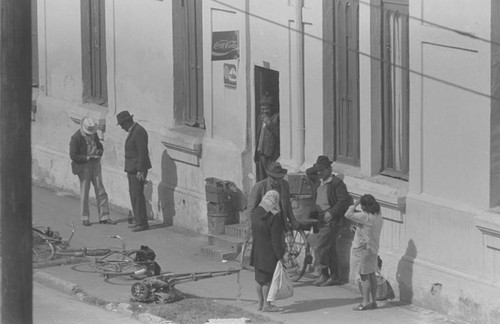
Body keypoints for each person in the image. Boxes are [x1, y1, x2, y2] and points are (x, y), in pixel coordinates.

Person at [306, 155, 353, 286]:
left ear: (329, 170)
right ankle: (334, 276)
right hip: (319, 218)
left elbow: (342, 201)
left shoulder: (337, 183)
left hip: (331, 220)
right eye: (318, 170)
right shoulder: (317, 180)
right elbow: (308, 172)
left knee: (319, 246)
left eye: (322, 170)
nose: (319, 173)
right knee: (329, 248)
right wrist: (318, 166)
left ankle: (324, 273)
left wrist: (331, 213)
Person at [69, 116, 115, 226]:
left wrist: (99, 152)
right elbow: (73, 155)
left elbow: (99, 146)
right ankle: (85, 217)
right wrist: (87, 158)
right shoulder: (76, 138)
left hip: (95, 164)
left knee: (101, 191)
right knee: (85, 191)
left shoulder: (94, 134)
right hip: (84, 166)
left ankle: (104, 216)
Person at [345, 194, 383, 310]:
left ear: (365, 205)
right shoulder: (378, 215)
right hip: (373, 249)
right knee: (371, 274)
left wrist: (354, 204)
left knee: (364, 276)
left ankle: (366, 302)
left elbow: (348, 214)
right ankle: (373, 301)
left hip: (363, 250)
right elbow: (367, 230)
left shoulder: (365, 216)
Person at [250, 190, 286, 312]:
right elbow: (275, 240)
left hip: (257, 250)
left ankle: (260, 304)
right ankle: (267, 304)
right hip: (269, 253)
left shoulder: (256, 212)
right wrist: (280, 256)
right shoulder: (274, 216)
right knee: (267, 280)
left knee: (259, 279)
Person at [116, 110, 152, 232]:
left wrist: (141, 171)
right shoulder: (134, 131)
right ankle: (138, 220)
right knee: (134, 195)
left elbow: (142, 152)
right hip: (133, 168)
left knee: (137, 196)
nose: (121, 128)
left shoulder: (138, 132)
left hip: (137, 169)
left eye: (121, 125)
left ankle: (142, 223)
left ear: (127, 122)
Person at [247, 162, 299, 231]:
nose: (277, 181)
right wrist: (252, 227)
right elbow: (251, 210)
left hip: (280, 225)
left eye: (280, 178)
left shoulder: (285, 185)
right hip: (263, 226)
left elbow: (288, 206)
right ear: (269, 176)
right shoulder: (259, 187)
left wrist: (293, 221)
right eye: (274, 178)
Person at [254, 94, 280, 181]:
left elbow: (279, 134)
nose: (264, 111)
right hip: (261, 152)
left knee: (271, 177)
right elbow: (258, 134)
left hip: (270, 155)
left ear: (271, 108)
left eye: (266, 109)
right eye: (262, 109)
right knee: (262, 179)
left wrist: (270, 124)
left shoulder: (276, 118)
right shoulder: (260, 118)